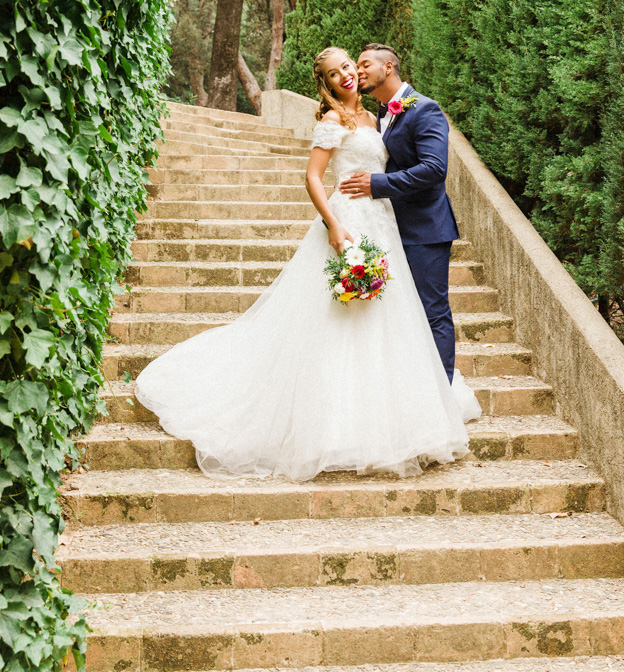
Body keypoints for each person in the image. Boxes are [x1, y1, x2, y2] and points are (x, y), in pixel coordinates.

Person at [134, 46, 480, 482]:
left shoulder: (382, 117)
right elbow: (313, 176)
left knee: (397, 317)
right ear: (327, 83)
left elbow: (427, 167)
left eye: (351, 67)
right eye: (336, 74)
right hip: (349, 221)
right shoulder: (333, 121)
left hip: (386, 224)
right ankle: (337, 421)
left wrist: (377, 185)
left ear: (370, 69)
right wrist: (332, 224)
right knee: (338, 318)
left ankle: (411, 406)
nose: (348, 75)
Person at [340, 43, 459, 381]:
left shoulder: (425, 109)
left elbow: (435, 169)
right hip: (389, 228)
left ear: (388, 67)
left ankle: (442, 395)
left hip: (426, 229)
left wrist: (377, 184)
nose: (357, 71)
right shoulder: (382, 113)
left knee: (433, 313)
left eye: (364, 65)